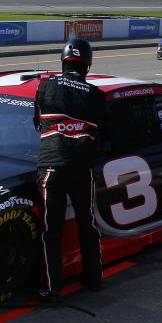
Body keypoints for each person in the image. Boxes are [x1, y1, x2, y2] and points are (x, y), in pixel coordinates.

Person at [32, 37, 106, 298]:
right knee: (88, 224)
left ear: (63, 62)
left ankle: (52, 290)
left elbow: (37, 124)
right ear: (87, 66)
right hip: (81, 168)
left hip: (51, 167)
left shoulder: (45, 86)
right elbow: (101, 133)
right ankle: (94, 279)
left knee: (51, 232)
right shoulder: (97, 96)